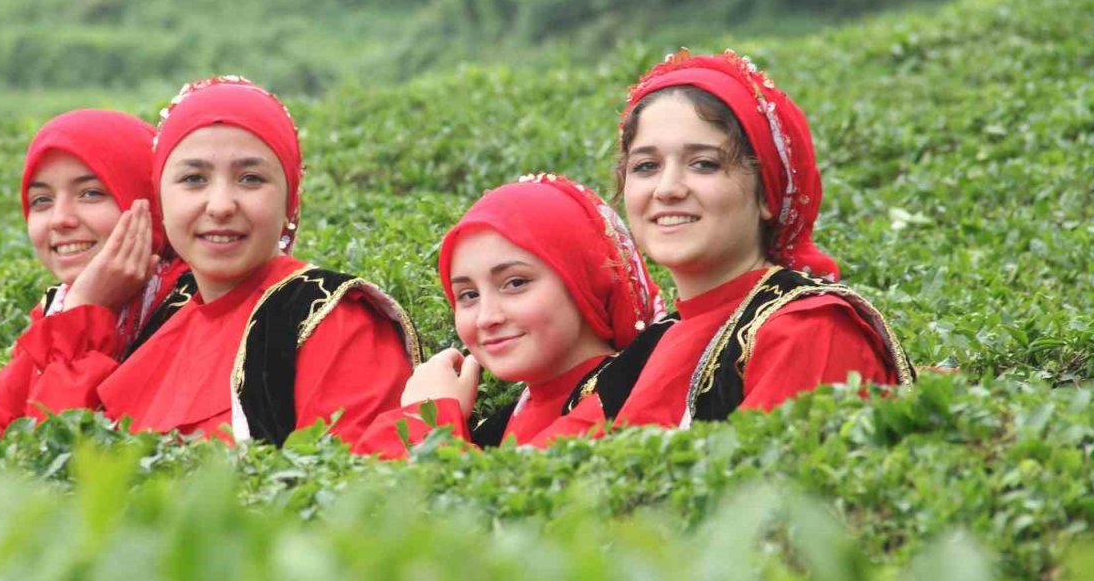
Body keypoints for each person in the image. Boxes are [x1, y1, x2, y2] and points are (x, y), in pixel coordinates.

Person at [536, 49, 914, 441]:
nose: (667, 189)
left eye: (704, 164)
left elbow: (768, 492)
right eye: (646, 166)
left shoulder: (808, 330)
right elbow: (537, 474)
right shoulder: (652, 345)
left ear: (766, 193)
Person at [98, 76, 420, 444]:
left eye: (251, 179)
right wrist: (85, 306)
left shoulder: (335, 322)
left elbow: (358, 486)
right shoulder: (157, 316)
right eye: (193, 179)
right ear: (160, 200)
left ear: (289, 203)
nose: (220, 205)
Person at [352, 174, 662, 458]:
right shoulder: (502, 425)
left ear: (584, 281)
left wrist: (427, 418)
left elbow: (466, 509)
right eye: (468, 295)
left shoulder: (621, 401)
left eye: (515, 283)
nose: (487, 317)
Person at [0, 109, 194, 435]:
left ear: (150, 200)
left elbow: (60, 450)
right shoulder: (61, 306)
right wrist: (84, 311)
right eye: (41, 200)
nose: (59, 219)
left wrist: (85, 315)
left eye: (90, 193)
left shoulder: (193, 307)